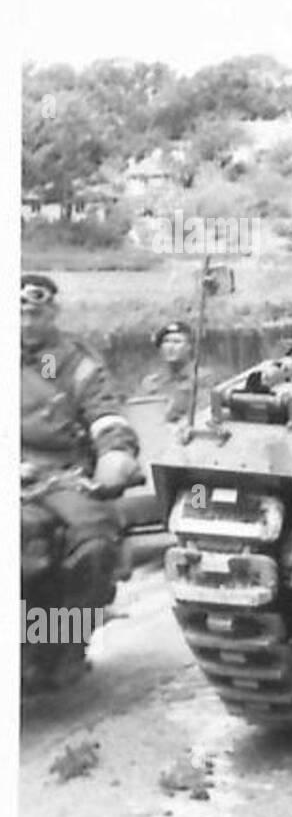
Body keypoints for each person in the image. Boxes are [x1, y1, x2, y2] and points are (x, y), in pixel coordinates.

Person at [21, 272, 140, 683]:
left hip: (60, 475)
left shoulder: (74, 363)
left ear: (51, 313)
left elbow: (105, 414)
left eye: (35, 312)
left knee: (94, 544)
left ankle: (64, 642)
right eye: (17, 311)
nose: (25, 320)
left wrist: (115, 453)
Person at [138, 320, 207, 421]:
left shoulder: (202, 378)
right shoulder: (153, 382)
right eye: (166, 342)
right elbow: (143, 416)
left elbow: (204, 414)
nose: (170, 347)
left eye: (177, 342)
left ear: (190, 347)